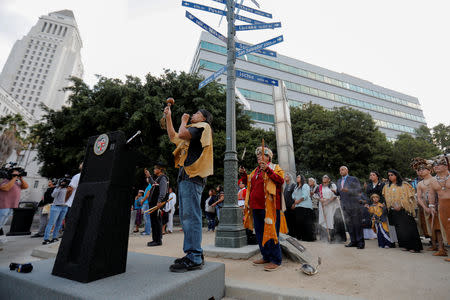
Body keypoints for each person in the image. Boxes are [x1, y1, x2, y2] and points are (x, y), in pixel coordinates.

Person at [164, 104, 214, 272]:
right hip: (186, 177)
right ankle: (195, 254)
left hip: (193, 176)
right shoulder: (193, 130)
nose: (193, 114)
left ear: (204, 118)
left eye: (197, 113)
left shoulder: (202, 126)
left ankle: (194, 257)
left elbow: (183, 132)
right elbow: (174, 136)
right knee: (188, 217)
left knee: (191, 217)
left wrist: (183, 120)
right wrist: (168, 117)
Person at [241, 145, 285, 271]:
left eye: (261, 154)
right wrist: (244, 174)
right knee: (260, 233)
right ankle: (265, 255)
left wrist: (268, 170)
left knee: (271, 232)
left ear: (268, 157)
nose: (259, 157)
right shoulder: (256, 171)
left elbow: (281, 181)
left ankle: (276, 259)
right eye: (258, 155)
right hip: (256, 206)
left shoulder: (275, 167)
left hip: (270, 207)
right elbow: (249, 184)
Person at [382, 169, 422, 253]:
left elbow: (410, 197)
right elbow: (386, 198)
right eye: (388, 175)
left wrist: (402, 205)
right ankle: (405, 245)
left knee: (409, 228)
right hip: (393, 210)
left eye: (392, 175)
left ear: (396, 175)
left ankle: (414, 247)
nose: (390, 177)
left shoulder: (404, 185)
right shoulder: (386, 186)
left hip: (405, 210)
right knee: (400, 229)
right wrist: (391, 205)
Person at [412, 158, 445, 256]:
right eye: (419, 170)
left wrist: (435, 206)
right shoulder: (419, 183)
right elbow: (418, 197)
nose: (420, 171)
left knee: (439, 227)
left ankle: (441, 248)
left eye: (423, 169)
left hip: (438, 206)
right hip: (426, 207)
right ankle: (434, 245)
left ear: (429, 170)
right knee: (430, 227)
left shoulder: (435, 179)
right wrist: (425, 207)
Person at [428, 155, 450, 262]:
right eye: (434, 165)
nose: (436, 167)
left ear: (446, 166)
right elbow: (431, 194)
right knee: (447, 229)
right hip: (442, 205)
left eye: (439, 164)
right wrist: (431, 206)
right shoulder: (433, 180)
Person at [336, 166, 364, 249]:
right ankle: (353, 241)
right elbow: (339, 193)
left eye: (342, 169)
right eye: (340, 170)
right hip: (344, 205)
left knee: (357, 224)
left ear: (347, 170)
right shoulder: (339, 180)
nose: (341, 171)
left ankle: (360, 242)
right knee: (349, 225)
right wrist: (335, 192)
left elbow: (358, 191)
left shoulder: (353, 179)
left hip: (354, 205)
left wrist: (348, 190)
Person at [0, 167, 28, 249]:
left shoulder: (17, 183)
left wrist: (21, 178)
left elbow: (26, 186)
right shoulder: (5, 181)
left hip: (11, 207)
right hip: (3, 206)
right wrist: (14, 177)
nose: (17, 174)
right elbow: (6, 188)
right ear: (11, 174)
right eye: (15, 173)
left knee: (1, 225)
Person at [146, 162, 169, 247]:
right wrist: (149, 176)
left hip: (157, 203)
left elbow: (163, 191)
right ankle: (155, 239)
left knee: (156, 221)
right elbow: (153, 184)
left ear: (160, 170)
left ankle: (158, 240)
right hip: (154, 203)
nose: (154, 170)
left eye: (155, 168)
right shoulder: (158, 178)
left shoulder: (163, 178)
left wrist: (159, 201)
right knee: (154, 221)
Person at [42, 178, 70, 244]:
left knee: (59, 223)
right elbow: (53, 195)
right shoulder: (58, 188)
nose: (63, 183)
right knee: (51, 223)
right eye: (62, 182)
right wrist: (59, 187)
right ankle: (46, 238)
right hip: (56, 206)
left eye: (64, 182)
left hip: (65, 207)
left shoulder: (68, 189)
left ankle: (54, 237)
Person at [318, 175, 345, 242]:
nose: (324, 178)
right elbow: (317, 195)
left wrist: (327, 202)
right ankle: (326, 237)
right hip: (323, 205)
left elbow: (335, 195)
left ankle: (336, 238)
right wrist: (320, 199)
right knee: (325, 221)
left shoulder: (333, 185)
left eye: (325, 177)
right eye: (323, 177)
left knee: (332, 221)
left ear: (329, 179)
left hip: (332, 205)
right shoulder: (320, 186)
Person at [292, 174, 315, 241]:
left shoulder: (305, 185)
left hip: (305, 206)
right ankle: (300, 236)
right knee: (299, 222)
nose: (297, 178)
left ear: (302, 178)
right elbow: (293, 195)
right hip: (298, 206)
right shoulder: (296, 186)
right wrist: (295, 201)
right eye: (297, 177)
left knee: (306, 222)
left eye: (298, 177)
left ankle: (308, 238)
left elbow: (305, 195)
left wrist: (298, 201)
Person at [140, 170, 153, 236]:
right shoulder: (149, 186)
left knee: (147, 218)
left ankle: (147, 232)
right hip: (145, 203)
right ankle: (146, 230)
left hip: (146, 203)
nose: (146, 179)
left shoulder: (150, 185)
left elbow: (147, 195)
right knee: (146, 218)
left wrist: (142, 200)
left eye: (147, 178)